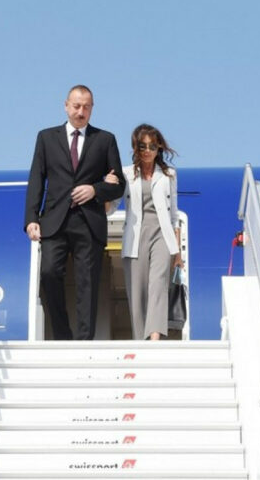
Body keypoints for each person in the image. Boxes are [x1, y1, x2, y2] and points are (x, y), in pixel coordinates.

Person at [24, 85, 126, 340]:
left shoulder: (105, 140)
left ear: (92, 109)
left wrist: (95, 189)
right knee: (49, 273)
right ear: (66, 105)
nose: (81, 112)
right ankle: (62, 334)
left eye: (86, 107)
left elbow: (119, 185)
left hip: (89, 222)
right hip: (54, 220)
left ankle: (83, 341)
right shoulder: (46, 138)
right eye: (77, 106)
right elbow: (36, 179)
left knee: (87, 283)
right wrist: (31, 219)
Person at [107, 124, 181, 341]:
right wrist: (107, 187)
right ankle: (141, 341)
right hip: (135, 235)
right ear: (135, 148)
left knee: (158, 285)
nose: (148, 151)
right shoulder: (126, 174)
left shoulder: (168, 175)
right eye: (143, 146)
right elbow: (111, 207)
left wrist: (177, 253)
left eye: (152, 146)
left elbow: (174, 215)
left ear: (159, 148)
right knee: (137, 292)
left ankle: (155, 339)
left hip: (162, 235)